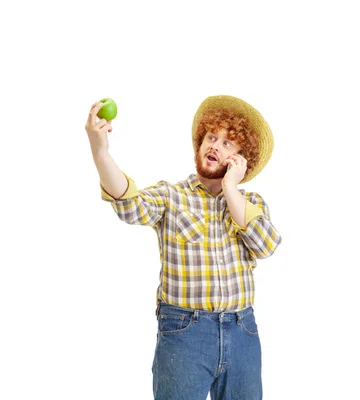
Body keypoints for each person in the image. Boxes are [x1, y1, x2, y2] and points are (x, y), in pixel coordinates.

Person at [85, 95, 282, 400]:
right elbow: (129, 204)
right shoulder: (171, 196)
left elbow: (266, 244)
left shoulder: (250, 203)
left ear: (243, 159)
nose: (215, 145)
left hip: (243, 331)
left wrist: (231, 188)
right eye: (211, 137)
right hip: (185, 332)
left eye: (228, 143)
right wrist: (100, 150)